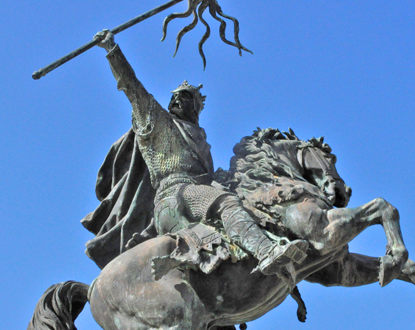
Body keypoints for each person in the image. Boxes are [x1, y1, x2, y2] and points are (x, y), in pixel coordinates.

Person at [91, 29, 307, 276]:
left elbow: (209, 179)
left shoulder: (200, 138)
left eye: (184, 98)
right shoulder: (158, 121)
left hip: (194, 194)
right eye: (174, 98)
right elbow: (132, 87)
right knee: (226, 202)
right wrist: (112, 51)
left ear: (195, 107)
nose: (176, 101)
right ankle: (266, 253)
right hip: (174, 195)